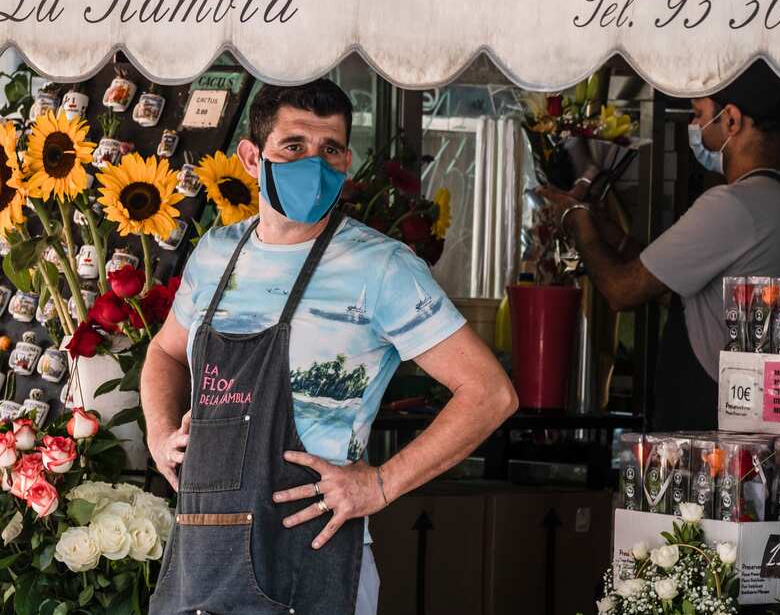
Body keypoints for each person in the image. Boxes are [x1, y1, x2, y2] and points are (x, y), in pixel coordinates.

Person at [140, 79, 517, 615]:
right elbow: (165, 353)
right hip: (203, 555)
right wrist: (158, 432)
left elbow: (489, 393)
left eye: (331, 149)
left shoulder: (379, 266)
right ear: (252, 157)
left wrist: (381, 485)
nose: (313, 163)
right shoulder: (217, 252)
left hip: (310, 557)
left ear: (346, 160)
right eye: (294, 146)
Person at [542, 61, 780, 430]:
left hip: (713, 421)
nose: (693, 128)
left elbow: (621, 290)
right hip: (773, 417)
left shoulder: (732, 204)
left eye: (698, 115)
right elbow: (672, 286)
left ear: (731, 120)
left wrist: (576, 217)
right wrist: (605, 227)